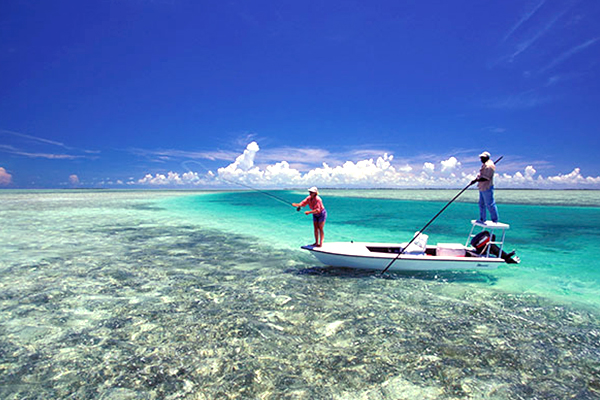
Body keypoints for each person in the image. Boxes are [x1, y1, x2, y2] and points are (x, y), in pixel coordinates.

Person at [471, 151, 499, 223]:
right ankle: (482, 219)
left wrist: (476, 180)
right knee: (481, 204)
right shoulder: (485, 165)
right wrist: (476, 180)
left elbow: (486, 178)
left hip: (487, 187)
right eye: (481, 158)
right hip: (482, 187)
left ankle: (495, 220)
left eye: (482, 158)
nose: (481, 159)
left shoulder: (489, 166)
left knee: (490, 204)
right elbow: (481, 175)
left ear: (486, 157)